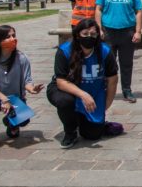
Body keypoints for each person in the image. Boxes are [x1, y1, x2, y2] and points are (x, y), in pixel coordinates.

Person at [47, 19, 118, 148]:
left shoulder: (105, 51)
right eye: (85, 34)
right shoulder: (65, 51)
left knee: (93, 135)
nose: (89, 37)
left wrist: (106, 104)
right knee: (65, 101)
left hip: (93, 91)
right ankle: (70, 131)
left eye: (93, 34)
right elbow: (61, 82)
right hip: (66, 90)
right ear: (77, 35)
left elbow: (112, 79)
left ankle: (83, 119)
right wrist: (83, 95)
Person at [0, 25, 43, 150]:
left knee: (24, 120)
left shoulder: (21, 58)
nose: (13, 39)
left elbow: (27, 81)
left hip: (14, 99)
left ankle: (11, 124)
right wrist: (3, 99)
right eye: (8, 37)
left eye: (14, 35)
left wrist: (31, 88)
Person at [95, 0, 142, 103]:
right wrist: (99, 28)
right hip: (108, 32)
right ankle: (105, 90)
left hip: (127, 32)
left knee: (126, 63)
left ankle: (127, 90)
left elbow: (138, 12)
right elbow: (98, 9)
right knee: (108, 63)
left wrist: (138, 31)